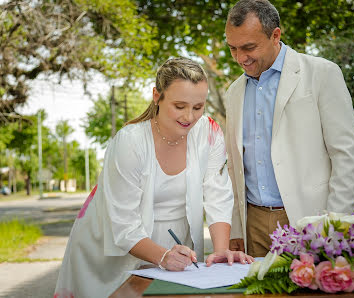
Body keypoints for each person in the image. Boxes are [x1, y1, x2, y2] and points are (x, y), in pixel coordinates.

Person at [54, 57, 253, 298]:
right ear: (157, 96)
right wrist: (162, 256)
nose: (189, 117)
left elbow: (217, 195)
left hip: (175, 245)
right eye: (179, 106)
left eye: (198, 107)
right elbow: (124, 224)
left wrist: (221, 251)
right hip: (113, 252)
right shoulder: (130, 142)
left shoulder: (209, 132)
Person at [224, 0, 354, 257]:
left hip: (310, 219)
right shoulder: (233, 92)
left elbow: (346, 154)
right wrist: (236, 229)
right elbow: (234, 165)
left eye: (249, 47)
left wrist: (337, 223)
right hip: (252, 223)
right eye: (232, 48)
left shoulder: (322, 73)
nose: (240, 58)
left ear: (275, 35)